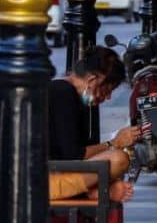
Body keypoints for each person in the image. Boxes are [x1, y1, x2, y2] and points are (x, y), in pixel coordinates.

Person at [48, 46, 140, 204]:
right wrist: (114, 143)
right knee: (118, 159)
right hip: (46, 181)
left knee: (116, 160)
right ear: (92, 81)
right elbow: (74, 155)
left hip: (59, 173)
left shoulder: (76, 97)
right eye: (106, 90)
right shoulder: (62, 92)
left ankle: (94, 190)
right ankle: (94, 191)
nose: (108, 97)